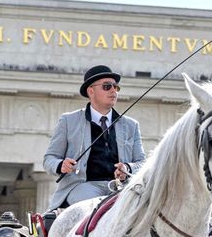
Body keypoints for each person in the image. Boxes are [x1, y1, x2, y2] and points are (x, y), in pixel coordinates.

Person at [43, 65, 145, 210]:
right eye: (107, 86)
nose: (113, 91)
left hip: (121, 188)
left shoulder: (131, 125)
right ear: (91, 91)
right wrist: (61, 165)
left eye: (116, 87)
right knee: (97, 207)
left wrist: (127, 167)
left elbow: (142, 163)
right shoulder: (68, 121)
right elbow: (49, 159)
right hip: (82, 187)